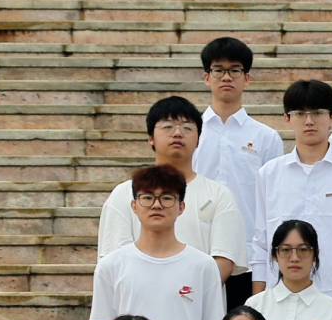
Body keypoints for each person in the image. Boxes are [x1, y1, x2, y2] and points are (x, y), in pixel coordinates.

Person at [90, 164, 225, 320]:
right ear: (134, 205)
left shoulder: (203, 266)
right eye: (147, 197)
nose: (156, 205)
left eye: (167, 198)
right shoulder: (111, 265)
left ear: (181, 207)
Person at [248, 79, 332, 311]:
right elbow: (262, 243)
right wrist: (257, 303)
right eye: (300, 114)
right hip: (277, 298)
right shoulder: (269, 174)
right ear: (287, 119)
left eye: (317, 113)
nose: (309, 121)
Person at [96, 96, 246, 289]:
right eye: (167, 127)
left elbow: (224, 261)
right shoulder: (124, 194)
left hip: (196, 301)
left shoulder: (219, 195)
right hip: (136, 301)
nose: (177, 133)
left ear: (199, 139)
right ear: (151, 137)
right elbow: (115, 258)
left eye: (187, 128)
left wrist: (185, 295)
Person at [196, 37, 286, 309]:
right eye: (218, 70)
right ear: (206, 77)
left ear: (247, 78)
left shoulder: (266, 137)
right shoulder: (191, 132)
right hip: (195, 248)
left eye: (235, 70)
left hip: (247, 256)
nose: (226, 77)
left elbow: (275, 201)